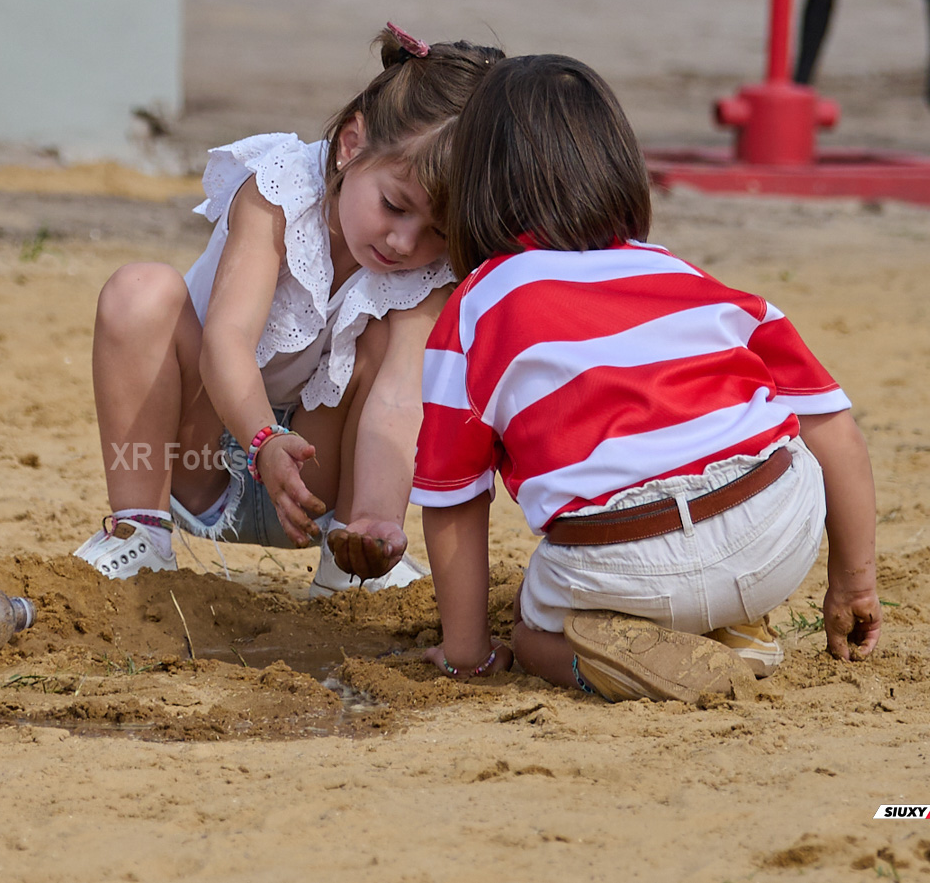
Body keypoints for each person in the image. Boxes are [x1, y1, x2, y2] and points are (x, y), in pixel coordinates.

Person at [338, 54, 882, 700]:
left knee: (537, 623)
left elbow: (454, 500)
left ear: (474, 189)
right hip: (774, 538)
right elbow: (832, 424)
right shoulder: (685, 277)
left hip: (625, 558)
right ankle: (728, 627)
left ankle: (626, 661)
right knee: (787, 449)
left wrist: (468, 654)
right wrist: (854, 582)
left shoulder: (477, 307)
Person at [75, 25, 503, 594]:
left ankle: (350, 558)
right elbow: (226, 340)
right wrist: (261, 441)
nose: (405, 243)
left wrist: (377, 516)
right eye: (394, 206)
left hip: (309, 485)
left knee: (392, 344)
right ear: (352, 146)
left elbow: (400, 397)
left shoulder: (429, 270)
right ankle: (139, 535)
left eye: (437, 231)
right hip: (199, 452)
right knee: (140, 290)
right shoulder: (281, 191)